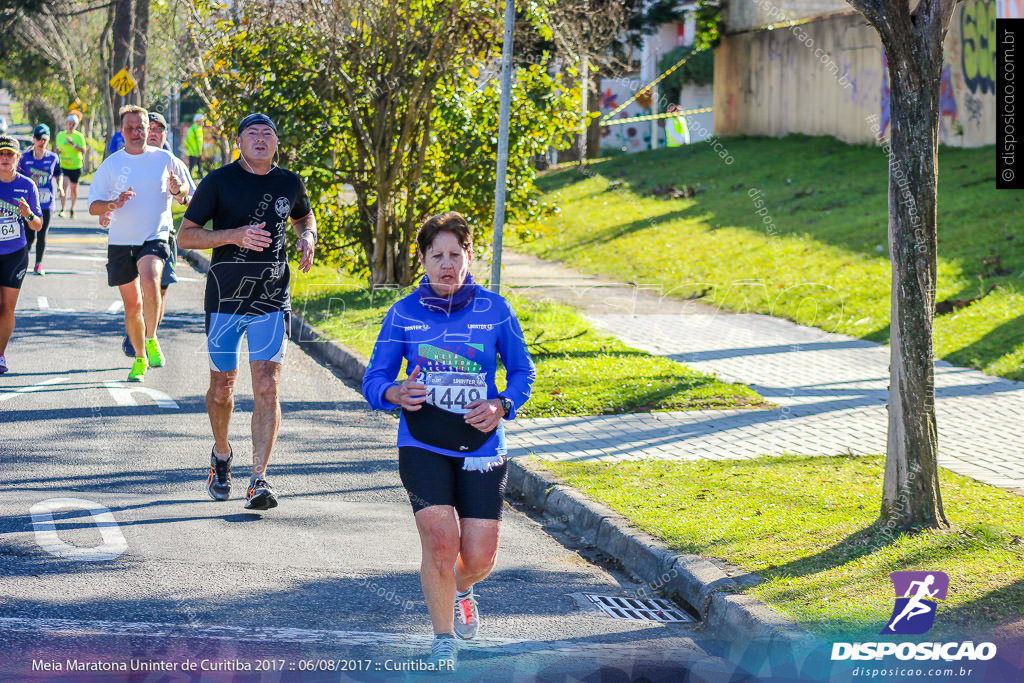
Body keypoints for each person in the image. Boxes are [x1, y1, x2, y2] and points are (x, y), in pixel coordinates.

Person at [361, 212, 536, 670]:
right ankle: (443, 640)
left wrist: (502, 405)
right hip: (422, 442)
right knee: (440, 543)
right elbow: (374, 378)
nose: (446, 264)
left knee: (477, 557)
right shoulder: (403, 313)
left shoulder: (496, 310)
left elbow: (522, 372)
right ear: (421, 260)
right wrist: (393, 392)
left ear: (469, 256)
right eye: (436, 255)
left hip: (482, 446)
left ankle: (463, 587)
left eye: (454, 254)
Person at [177, 113, 316, 511]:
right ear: (239, 142)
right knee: (222, 389)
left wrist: (307, 234)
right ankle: (221, 455)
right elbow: (186, 235)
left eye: (267, 133)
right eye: (252, 133)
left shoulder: (288, 182)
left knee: (267, 385)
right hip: (225, 299)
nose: (260, 138)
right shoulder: (218, 182)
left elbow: (304, 214)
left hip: (271, 297)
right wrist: (233, 235)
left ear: (276, 143)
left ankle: (259, 478)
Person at [88, 105, 193, 382]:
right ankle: (139, 359)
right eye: (130, 128)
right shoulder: (111, 165)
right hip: (122, 240)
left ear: (150, 129)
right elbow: (93, 206)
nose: (136, 132)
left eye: (141, 127)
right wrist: (114, 203)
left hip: (154, 235)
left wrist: (177, 190)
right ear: (122, 132)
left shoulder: (165, 159)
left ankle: (152, 338)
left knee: (151, 277)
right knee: (132, 306)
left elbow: (187, 192)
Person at [117, 111, 185, 358]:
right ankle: (138, 330)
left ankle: (149, 333)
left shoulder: (170, 161)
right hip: (129, 236)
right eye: (150, 127)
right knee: (137, 290)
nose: (153, 133)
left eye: (159, 129)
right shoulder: (126, 159)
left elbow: (188, 197)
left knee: (159, 288)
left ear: (164, 134)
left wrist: (179, 191)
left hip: (162, 235)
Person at [0, 134, 44, 374]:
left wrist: (27, 214)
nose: (5, 158)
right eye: (1, 154)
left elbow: (37, 225)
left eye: (10, 154)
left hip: (15, 253)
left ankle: (0, 355)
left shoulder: (27, 185)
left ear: (18, 158)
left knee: (6, 307)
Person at [17, 124, 64, 275]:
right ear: (34, 139)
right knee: (29, 236)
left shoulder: (52, 158)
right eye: (38, 138)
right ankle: (22, 263)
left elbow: (58, 173)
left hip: (46, 202)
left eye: (44, 139)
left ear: (48, 139)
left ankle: (38, 264)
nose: (41, 141)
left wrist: (60, 186)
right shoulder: (25, 158)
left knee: (42, 234)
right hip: (29, 203)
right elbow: (17, 176)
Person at [56, 113, 86, 219]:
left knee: (74, 189)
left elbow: (83, 150)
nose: (71, 126)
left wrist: (73, 144)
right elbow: (57, 148)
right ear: (66, 124)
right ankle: (63, 209)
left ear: (76, 125)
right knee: (64, 186)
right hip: (63, 165)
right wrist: (57, 151)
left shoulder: (79, 136)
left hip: (76, 165)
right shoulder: (60, 135)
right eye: (69, 123)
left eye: (73, 124)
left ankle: (72, 208)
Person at [185, 114, 205, 179]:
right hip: (193, 152)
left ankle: (201, 177)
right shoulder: (192, 129)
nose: (202, 122)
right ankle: (188, 178)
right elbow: (188, 140)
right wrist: (189, 148)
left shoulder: (200, 128)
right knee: (191, 166)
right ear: (196, 121)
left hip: (198, 151)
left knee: (200, 165)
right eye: (201, 121)